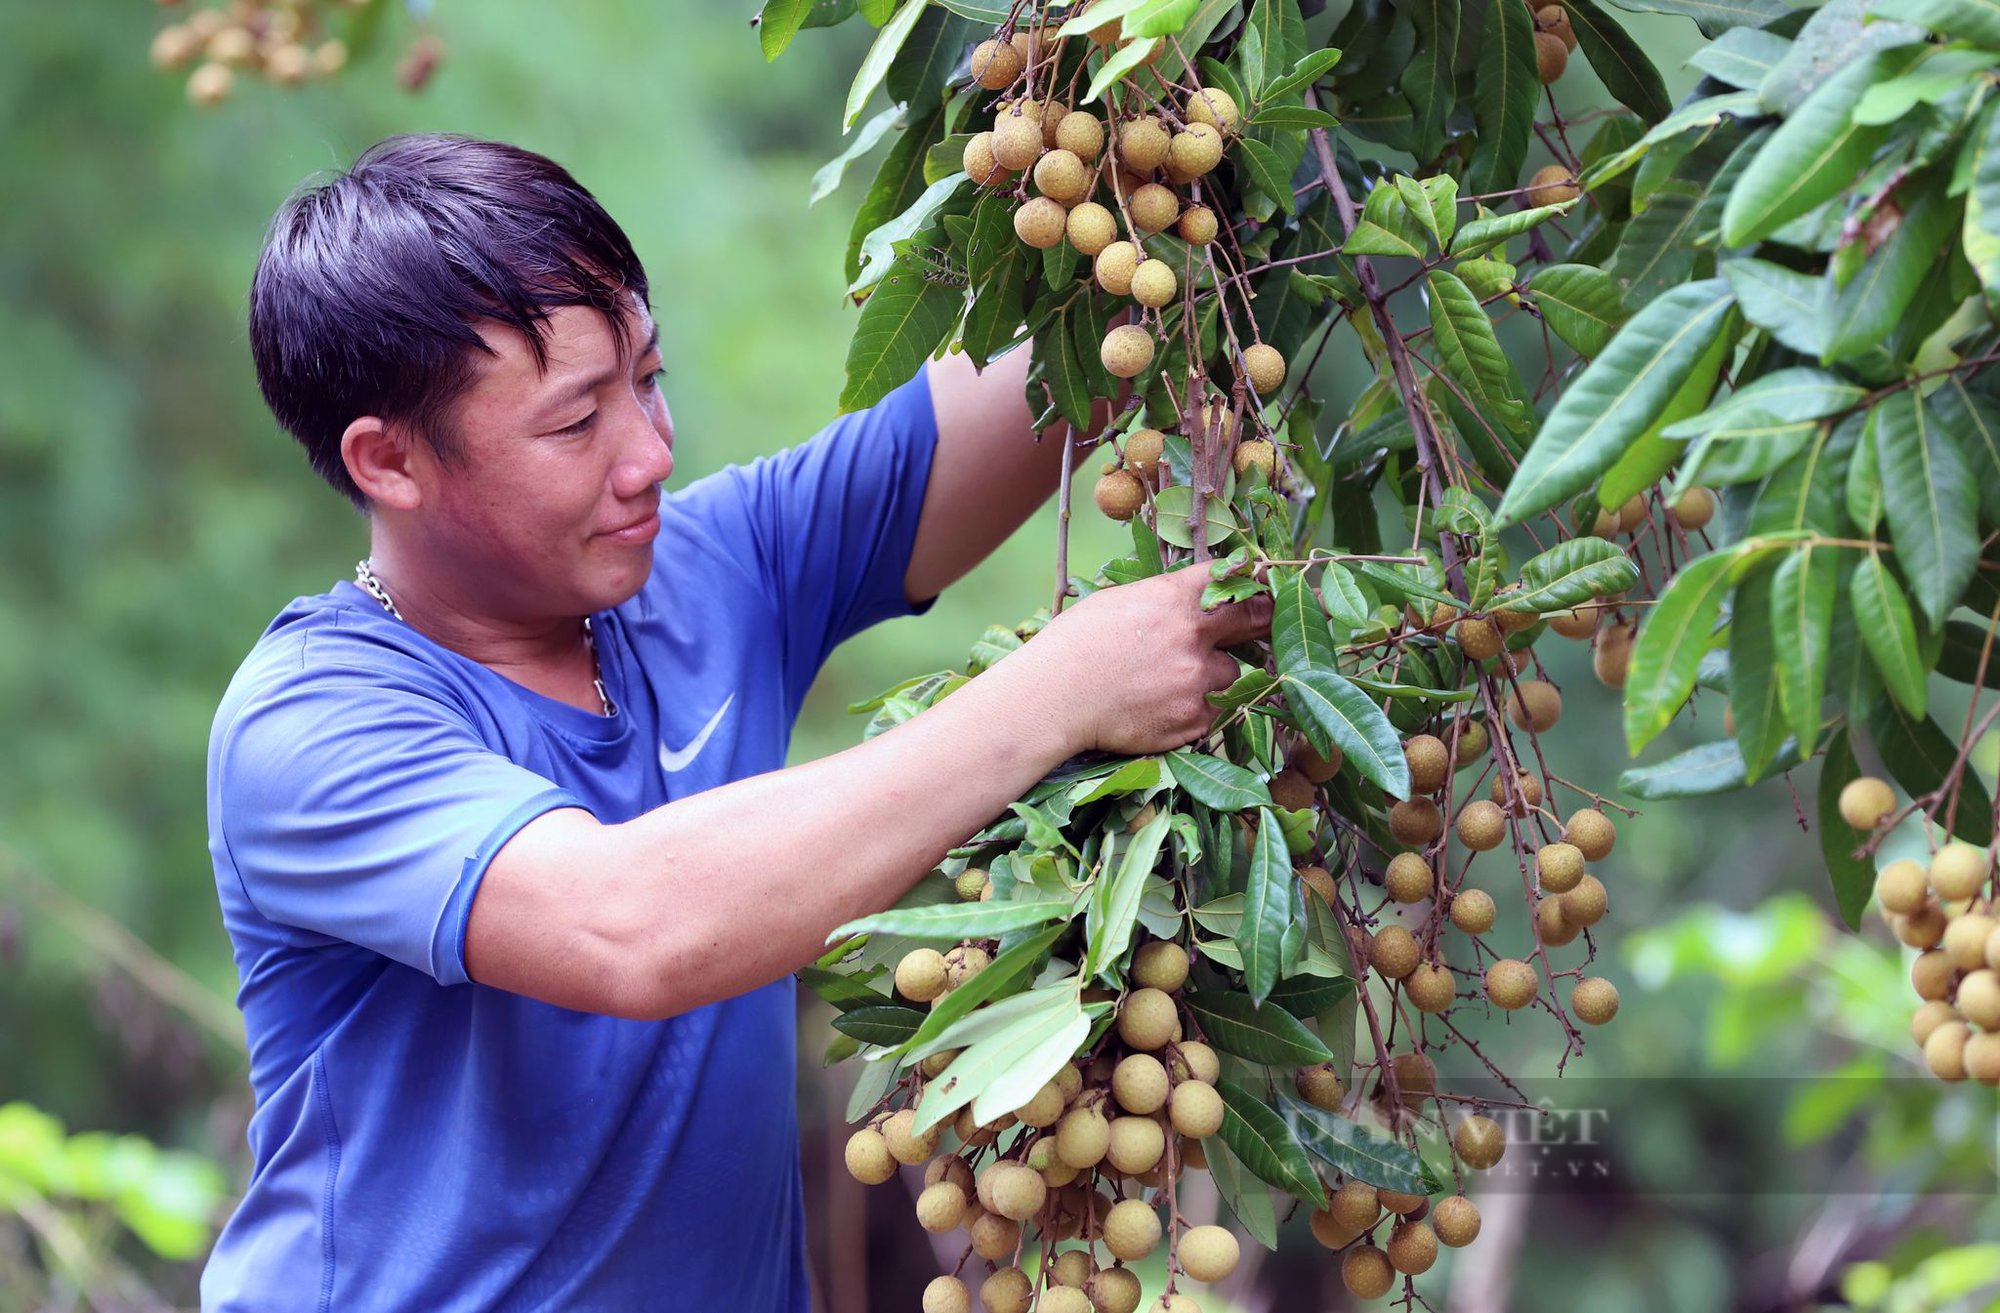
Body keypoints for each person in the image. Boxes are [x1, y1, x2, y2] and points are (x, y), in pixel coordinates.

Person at [203, 132, 1272, 1311]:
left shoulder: (708, 570)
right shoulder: (311, 721)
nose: (649, 453)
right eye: (575, 424)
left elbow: (1059, 367)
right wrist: (1063, 686)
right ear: (388, 461)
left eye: (648, 381)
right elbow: (630, 927)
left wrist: (1165, 143)